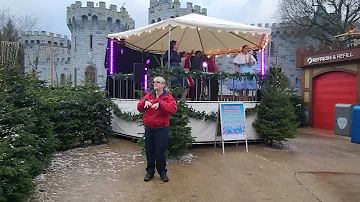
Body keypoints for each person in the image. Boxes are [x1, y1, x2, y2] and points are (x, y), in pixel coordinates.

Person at [137, 76, 177, 182]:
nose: (155, 83)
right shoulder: (149, 96)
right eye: (154, 82)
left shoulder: (168, 97)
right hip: (149, 127)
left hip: (162, 128)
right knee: (149, 150)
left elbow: (172, 109)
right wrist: (143, 102)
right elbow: (139, 108)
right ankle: (150, 172)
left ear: (163, 85)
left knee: (160, 151)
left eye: (158, 82)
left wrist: (160, 103)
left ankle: (162, 172)